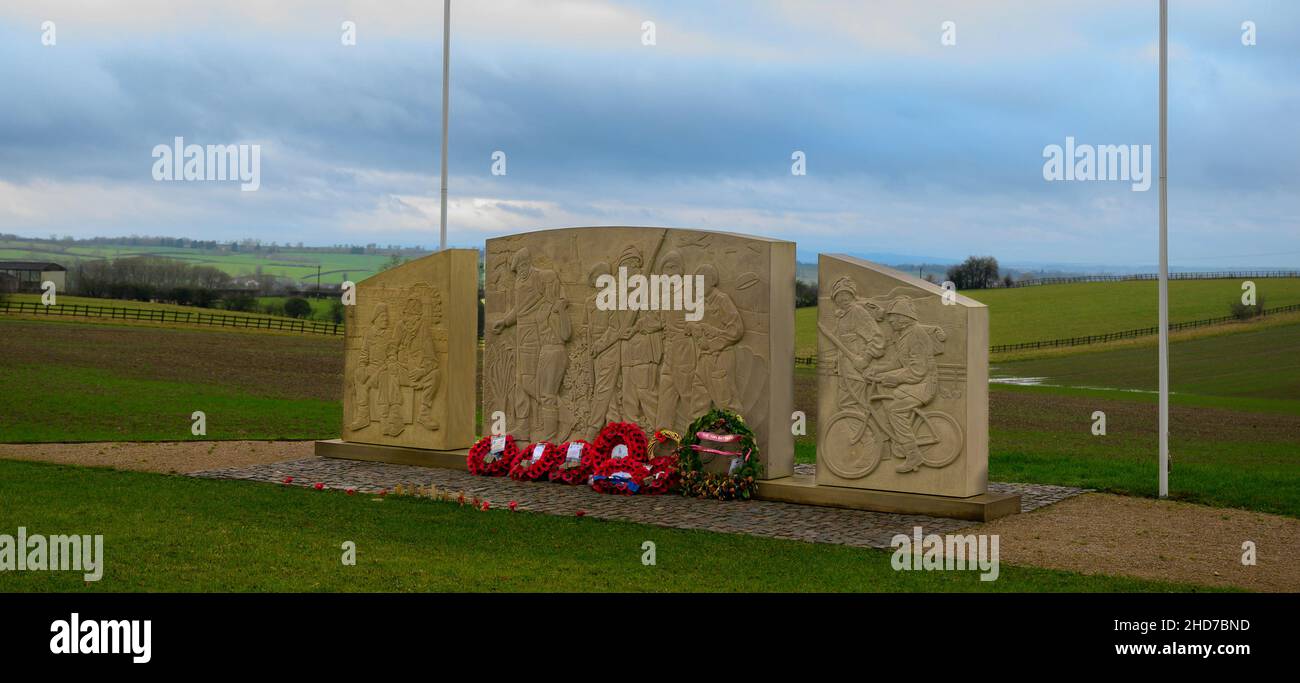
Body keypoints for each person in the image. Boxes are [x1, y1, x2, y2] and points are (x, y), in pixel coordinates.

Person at [491, 247, 571, 442]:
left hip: (537, 336)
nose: (517, 273)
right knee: (520, 381)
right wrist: (506, 321)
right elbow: (520, 308)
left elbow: (554, 300)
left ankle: (564, 414)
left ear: (525, 265)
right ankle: (523, 426)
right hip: (522, 332)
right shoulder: (521, 281)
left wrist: (557, 308)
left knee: (530, 381)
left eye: (519, 268)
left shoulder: (543, 277)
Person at [872, 298, 938, 473]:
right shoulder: (904, 335)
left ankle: (913, 455)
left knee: (895, 410)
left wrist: (895, 379)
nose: (890, 321)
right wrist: (877, 371)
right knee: (885, 393)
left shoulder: (916, 335)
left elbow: (917, 371)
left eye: (893, 317)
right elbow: (896, 362)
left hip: (923, 385)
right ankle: (900, 440)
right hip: (915, 382)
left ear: (903, 317)